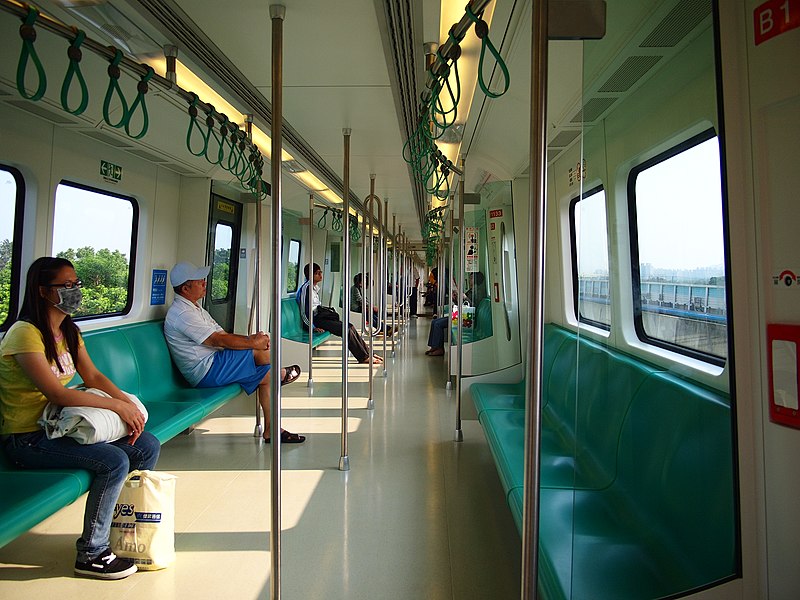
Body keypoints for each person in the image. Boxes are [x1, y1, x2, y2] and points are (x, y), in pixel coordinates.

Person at [0, 257, 160, 580]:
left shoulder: (68, 331)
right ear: (44, 291)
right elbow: (57, 394)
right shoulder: (25, 335)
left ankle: (122, 526)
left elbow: (93, 375)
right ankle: (92, 552)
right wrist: (117, 409)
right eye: (67, 285)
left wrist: (126, 403)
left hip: (58, 426)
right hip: (28, 437)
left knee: (146, 445)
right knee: (114, 461)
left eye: (77, 284)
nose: (76, 290)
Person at [163, 262, 304, 444]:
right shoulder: (182, 314)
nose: (204, 283)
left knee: (267, 375)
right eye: (199, 281)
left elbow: (222, 334)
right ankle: (281, 375)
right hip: (205, 370)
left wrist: (251, 339)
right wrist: (253, 343)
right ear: (185, 288)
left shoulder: (196, 308)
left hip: (215, 361)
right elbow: (217, 340)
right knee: (260, 353)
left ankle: (271, 428)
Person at [296, 263, 382, 364]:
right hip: (317, 320)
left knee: (350, 327)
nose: (320, 275)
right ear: (310, 275)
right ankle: (363, 357)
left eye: (320, 272)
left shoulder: (314, 288)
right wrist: (312, 327)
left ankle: (368, 353)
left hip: (322, 317)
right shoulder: (306, 288)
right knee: (346, 330)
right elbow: (304, 312)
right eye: (317, 273)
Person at [425, 272, 486, 357]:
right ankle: (434, 346)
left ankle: (439, 349)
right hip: (462, 314)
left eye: (471, 278)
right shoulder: (471, 290)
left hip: (467, 319)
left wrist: (465, 297)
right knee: (435, 321)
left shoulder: (478, 291)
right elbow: (464, 304)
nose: (470, 280)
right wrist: (456, 299)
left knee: (438, 324)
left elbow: (473, 306)